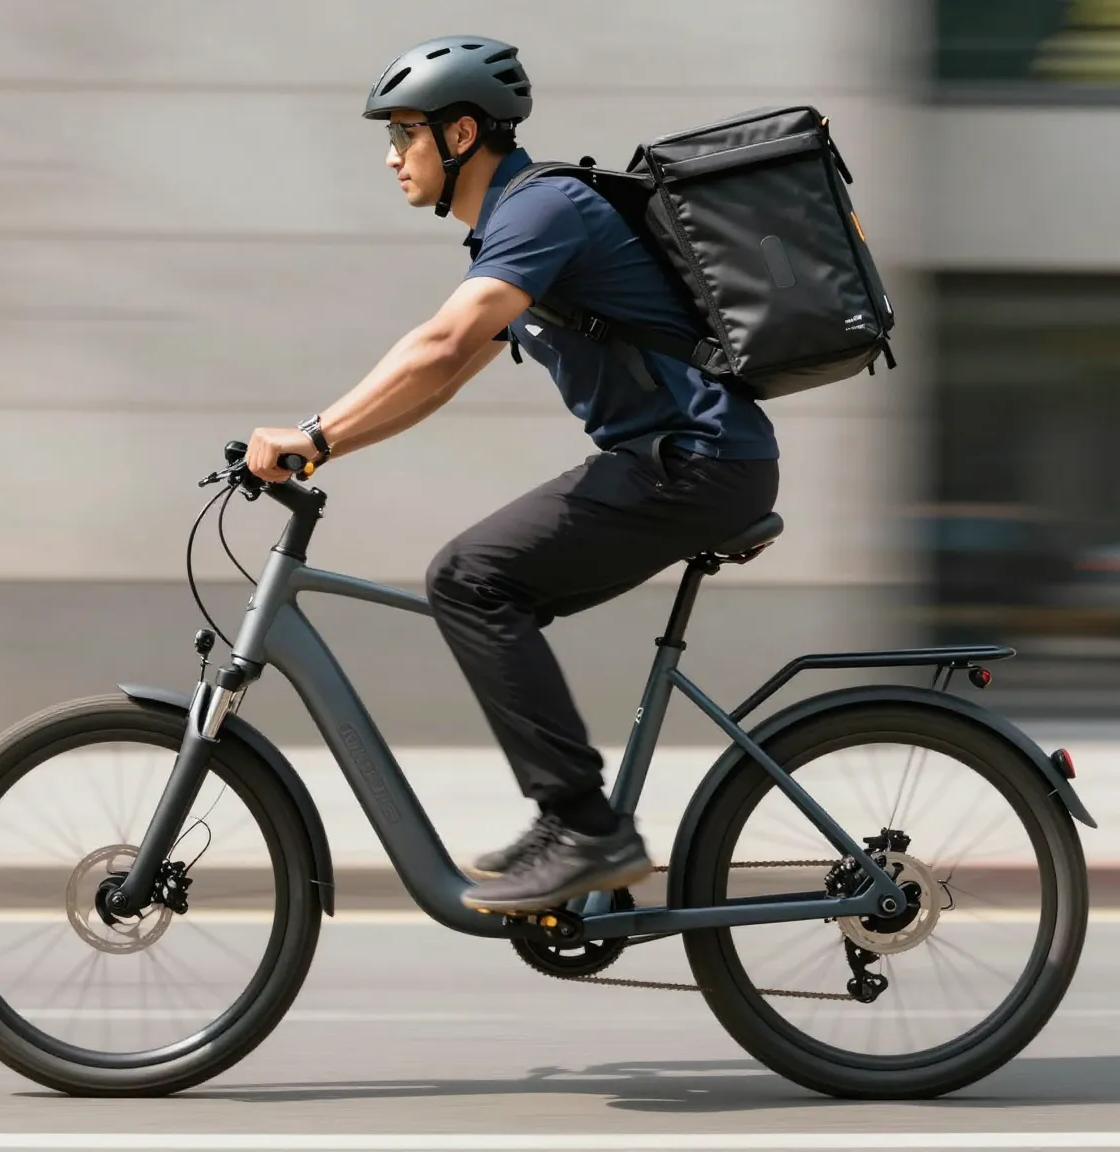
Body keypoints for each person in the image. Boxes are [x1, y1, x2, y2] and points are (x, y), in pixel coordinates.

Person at [244, 35, 779, 914]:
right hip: (682, 461)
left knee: (470, 578)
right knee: (488, 588)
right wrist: (328, 445)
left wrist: (311, 429)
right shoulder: (516, 230)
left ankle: (585, 828)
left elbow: (441, 343)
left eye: (403, 135)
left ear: (460, 134)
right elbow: (443, 378)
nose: (390, 157)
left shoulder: (542, 211)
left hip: (696, 461)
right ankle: (569, 822)